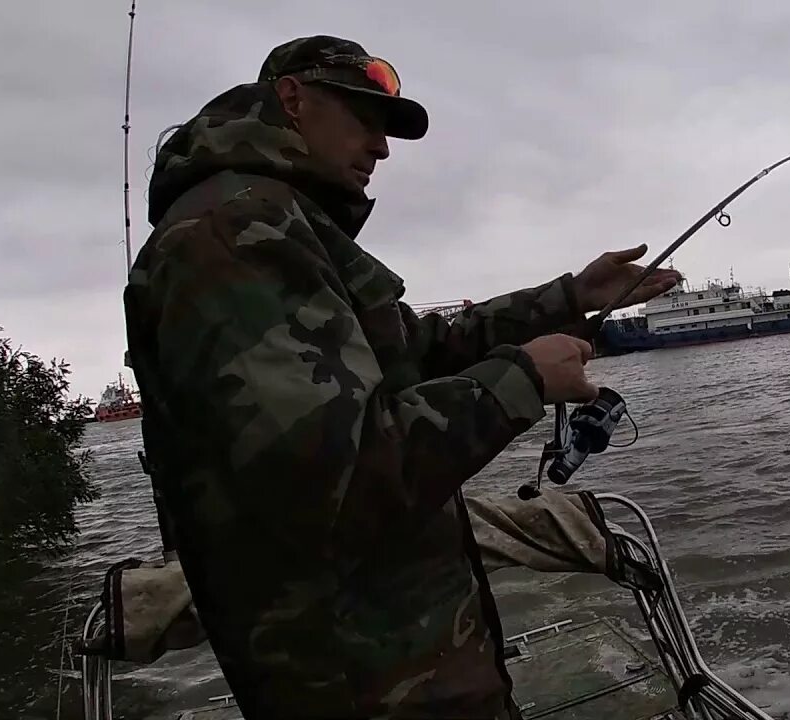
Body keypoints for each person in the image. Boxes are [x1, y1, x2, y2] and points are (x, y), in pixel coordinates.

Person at [123, 35, 680, 720]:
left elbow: (421, 345)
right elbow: (342, 472)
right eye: (364, 119)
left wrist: (572, 296)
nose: (382, 147)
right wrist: (524, 379)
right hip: (357, 680)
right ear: (293, 99)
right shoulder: (234, 233)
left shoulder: (279, 222)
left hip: (396, 665)